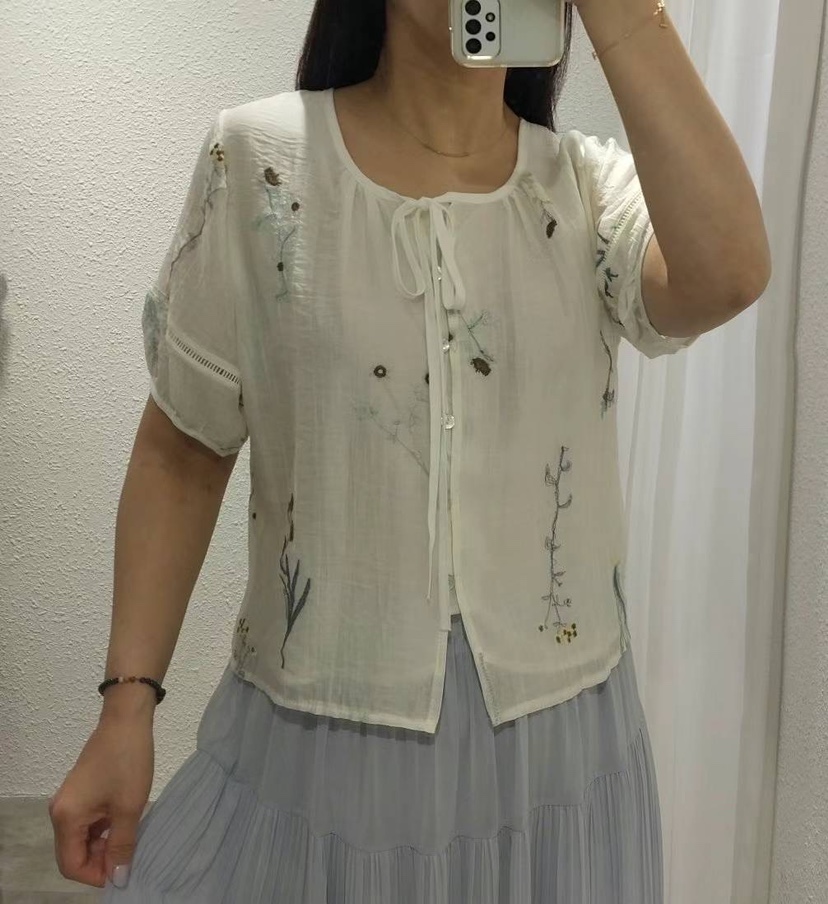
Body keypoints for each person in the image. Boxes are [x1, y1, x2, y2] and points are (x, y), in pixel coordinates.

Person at [47, 0, 771, 901]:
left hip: (562, 758)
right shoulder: (261, 162)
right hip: (319, 752)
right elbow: (183, 453)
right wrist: (127, 706)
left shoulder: (585, 191)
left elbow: (727, 271)